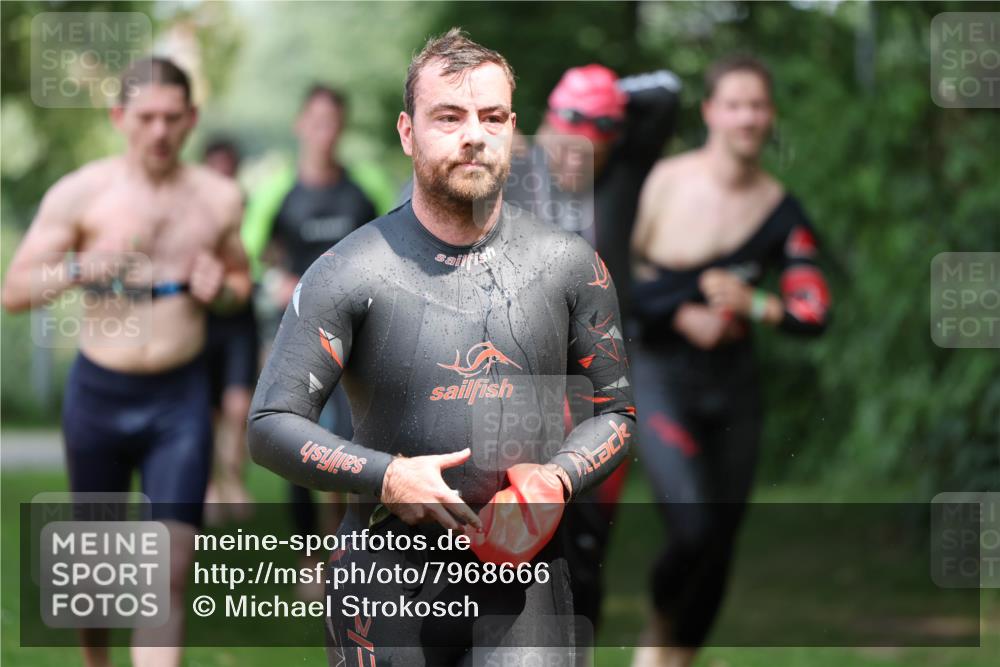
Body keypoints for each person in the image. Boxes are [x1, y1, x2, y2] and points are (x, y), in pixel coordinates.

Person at [247, 28, 635, 666]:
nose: (473, 134)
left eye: (492, 116)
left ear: (514, 127)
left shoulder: (568, 265)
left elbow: (617, 414)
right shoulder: (350, 270)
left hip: (525, 577)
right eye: (448, 117)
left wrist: (557, 479)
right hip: (384, 580)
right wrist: (389, 476)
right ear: (407, 132)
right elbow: (269, 426)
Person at [1, 57, 251, 667]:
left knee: (169, 568)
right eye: (146, 118)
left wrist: (218, 285)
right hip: (101, 394)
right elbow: (14, 290)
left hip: (180, 398)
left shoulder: (219, 199)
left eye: (172, 118)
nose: (160, 132)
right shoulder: (82, 193)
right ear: (120, 117)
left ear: (191, 118)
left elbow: (240, 282)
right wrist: (81, 268)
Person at [629, 55, 831, 667]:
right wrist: (680, 312)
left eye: (758, 105)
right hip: (662, 375)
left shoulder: (780, 209)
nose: (747, 117)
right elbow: (605, 274)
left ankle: (679, 657)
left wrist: (757, 304)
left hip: (734, 389)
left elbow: (813, 310)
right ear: (711, 112)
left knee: (719, 544)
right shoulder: (664, 180)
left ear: (770, 117)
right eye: (735, 104)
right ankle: (656, 636)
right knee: (692, 529)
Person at [502, 63, 679, 632]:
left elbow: (668, 92)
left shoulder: (621, 179)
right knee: (514, 535)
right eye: (569, 143)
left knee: (588, 541)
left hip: (602, 384)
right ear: (548, 125)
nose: (578, 161)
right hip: (524, 381)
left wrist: (603, 96)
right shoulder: (513, 169)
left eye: (594, 147)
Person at [200, 137, 259, 523]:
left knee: (238, 407)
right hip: (199, 320)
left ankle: (233, 480)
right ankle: (209, 487)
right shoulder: (187, 212)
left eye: (228, 169)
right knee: (205, 411)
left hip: (240, 319)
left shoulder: (247, 210)